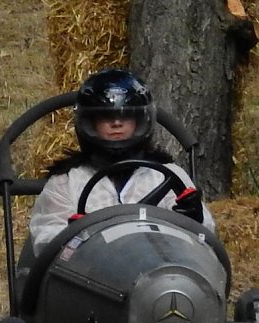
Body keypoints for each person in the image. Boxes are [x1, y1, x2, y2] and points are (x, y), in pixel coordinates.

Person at [29, 67, 215, 256]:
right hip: (92, 270)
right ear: (90, 123)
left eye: (125, 116)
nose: (116, 123)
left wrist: (193, 218)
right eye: (106, 117)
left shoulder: (165, 176)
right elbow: (44, 240)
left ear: (140, 121)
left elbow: (205, 239)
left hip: (160, 268)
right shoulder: (66, 181)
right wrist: (71, 236)